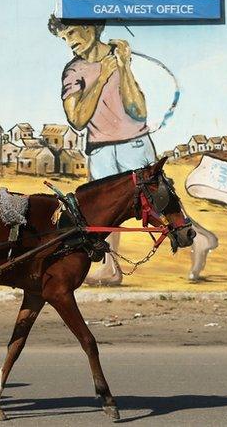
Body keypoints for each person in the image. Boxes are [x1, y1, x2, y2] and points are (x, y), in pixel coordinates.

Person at [49, 15, 155, 285]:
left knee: (157, 205)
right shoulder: (74, 71)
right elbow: (77, 119)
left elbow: (138, 110)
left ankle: (199, 239)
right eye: (64, 38)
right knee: (104, 214)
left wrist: (124, 67)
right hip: (100, 149)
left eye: (72, 32)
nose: (70, 42)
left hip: (135, 143)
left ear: (92, 27)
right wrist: (102, 76)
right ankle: (111, 268)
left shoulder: (118, 57)